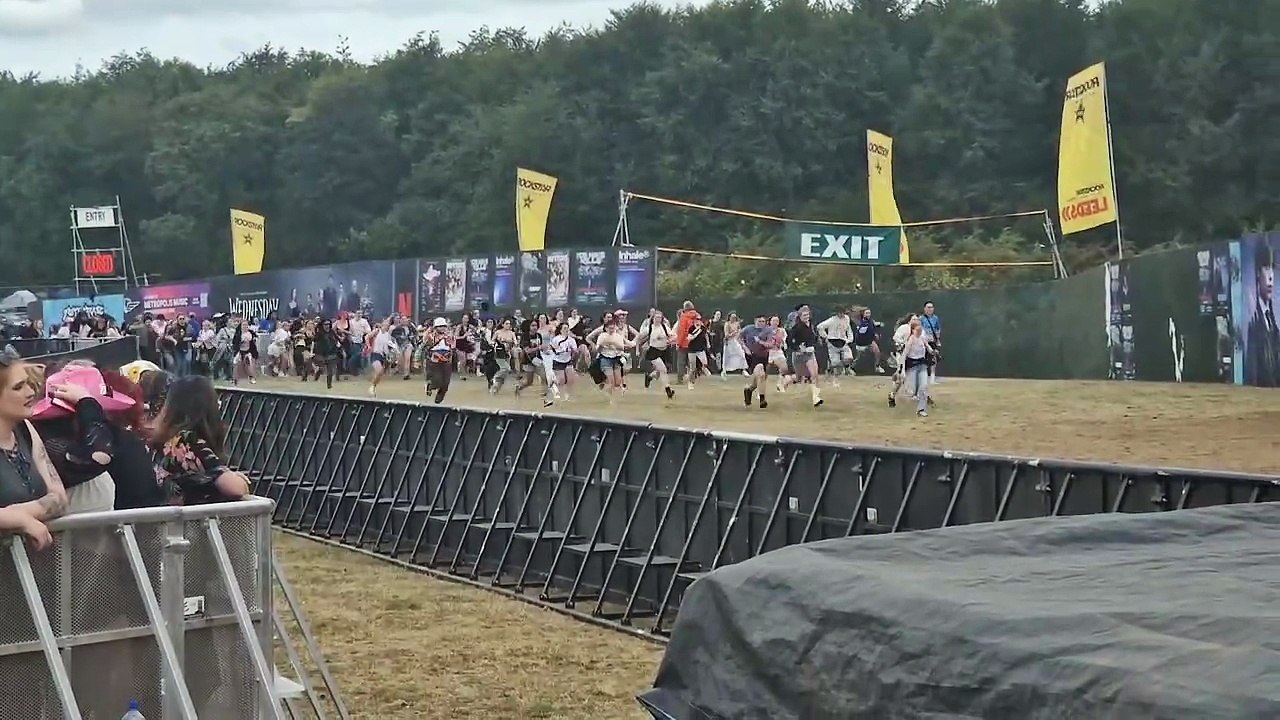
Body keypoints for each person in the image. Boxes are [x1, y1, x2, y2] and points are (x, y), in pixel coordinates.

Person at [0, 348, 68, 550]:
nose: (30, 392)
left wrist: (15, 515)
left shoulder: (26, 429)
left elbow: (59, 498)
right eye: (18, 387)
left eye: (28, 383)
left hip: (33, 561)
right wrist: (13, 519)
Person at [150, 376, 250, 505]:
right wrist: (240, 480)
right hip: (192, 516)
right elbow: (234, 488)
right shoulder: (187, 441)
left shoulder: (165, 440)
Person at [1245, 241, 1278, 387]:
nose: (1271, 276)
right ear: (1258, 273)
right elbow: (1252, 373)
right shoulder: (1254, 322)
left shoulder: (1273, 321)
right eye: (1266, 268)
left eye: (1272, 268)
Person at [420, 317, 456, 404]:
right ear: (435, 327)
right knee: (437, 381)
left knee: (446, 383)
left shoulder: (450, 336)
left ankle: (439, 399)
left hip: (446, 361)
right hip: (434, 361)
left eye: (443, 326)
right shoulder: (430, 336)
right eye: (440, 326)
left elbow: (452, 347)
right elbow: (425, 345)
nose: (442, 328)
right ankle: (430, 386)